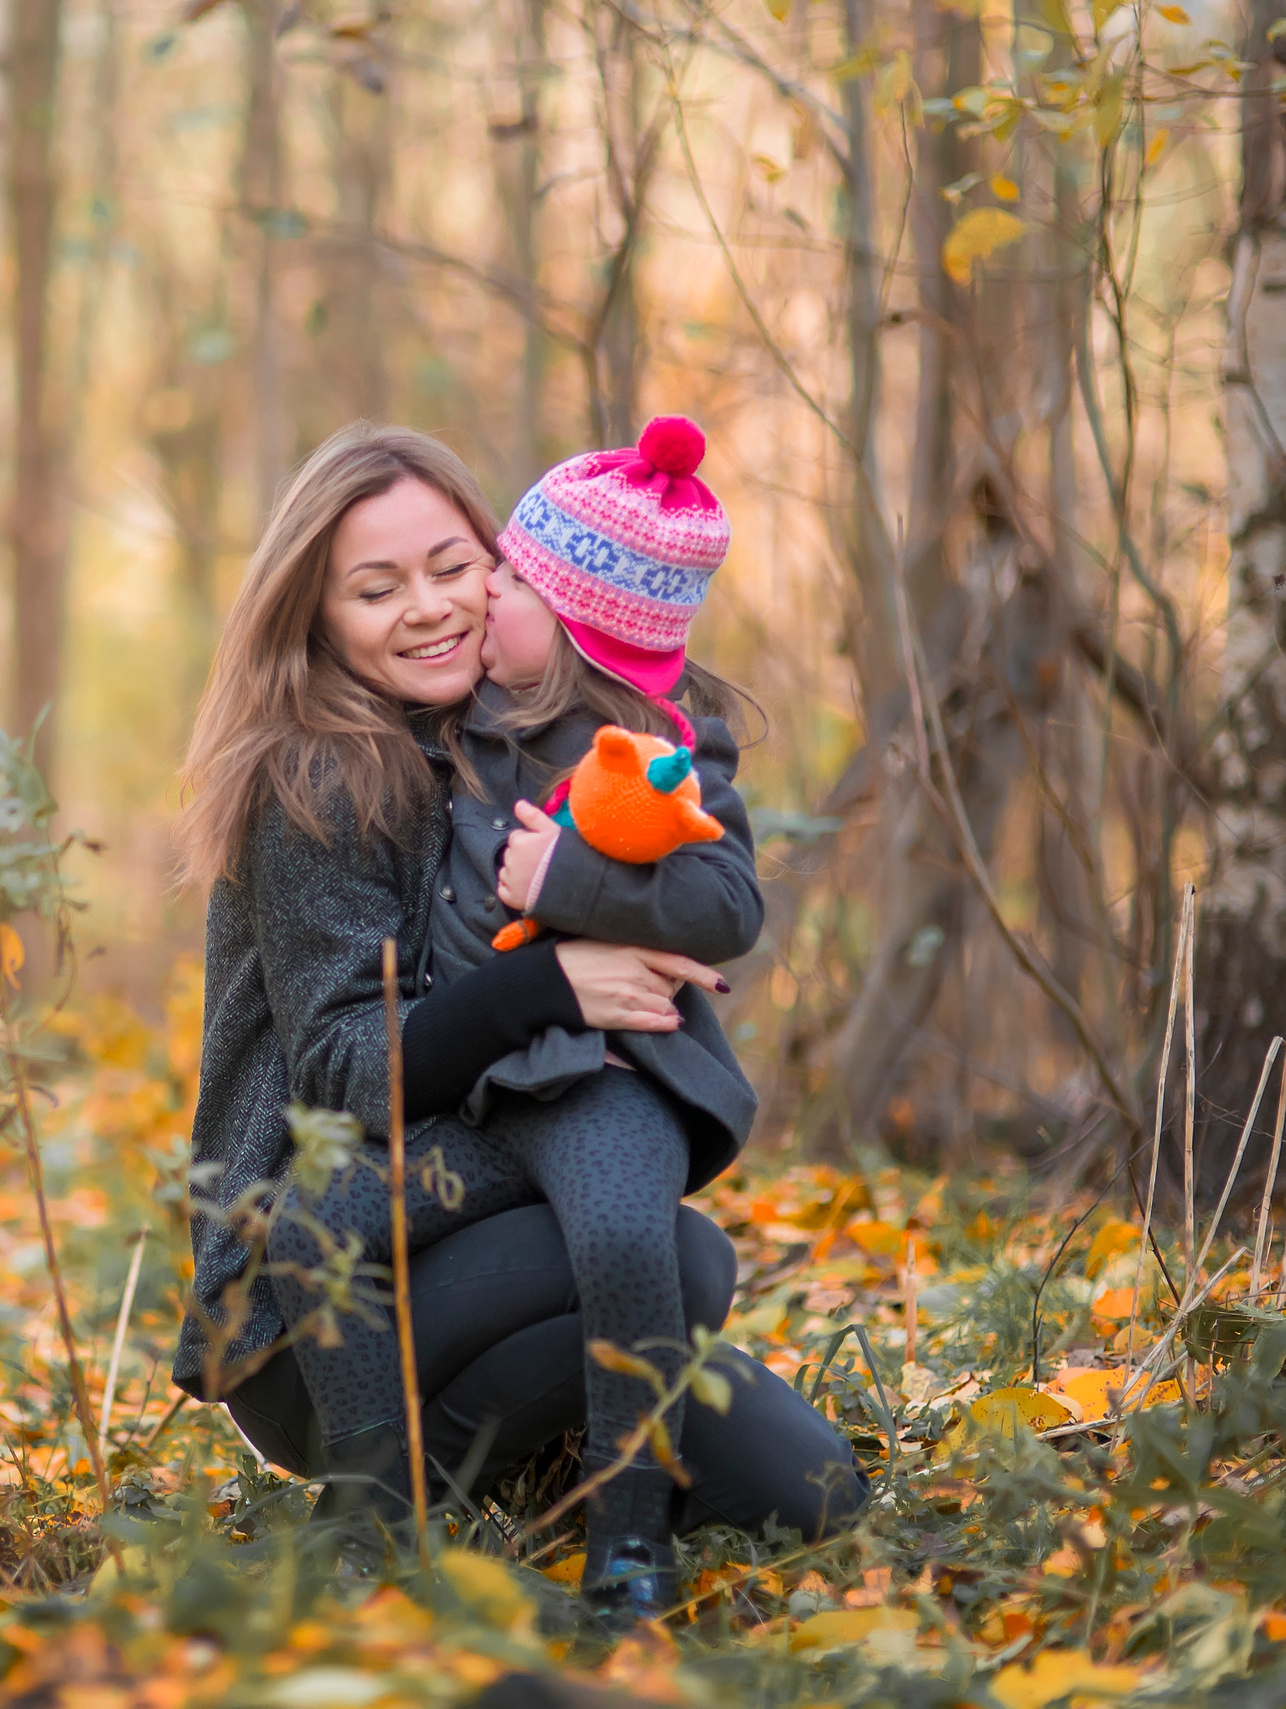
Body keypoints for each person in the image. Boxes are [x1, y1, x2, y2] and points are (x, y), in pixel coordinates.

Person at [170, 423, 864, 1617]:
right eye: (375, 588)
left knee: (812, 1489)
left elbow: (693, 843)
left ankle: (557, 1467)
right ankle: (381, 1524)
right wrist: (552, 985)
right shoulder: (313, 778)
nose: (429, 607)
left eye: (453, 566)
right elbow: (346, 1069)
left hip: (489, 1212)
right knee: (682, 1256)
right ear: (315, 615)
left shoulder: (524, 728)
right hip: (312, 1303)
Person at [412, 415, 770, 1612]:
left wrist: (567, 881)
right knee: (335, 1214)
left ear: (570, 622)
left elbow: (727, 904)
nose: (483, 591)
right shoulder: (451, 718)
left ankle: (628, 1529)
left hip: (602, 1077)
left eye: (509, 579)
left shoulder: (665, 753)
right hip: (476, 1073)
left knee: (623, 1242)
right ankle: (375, 1494)